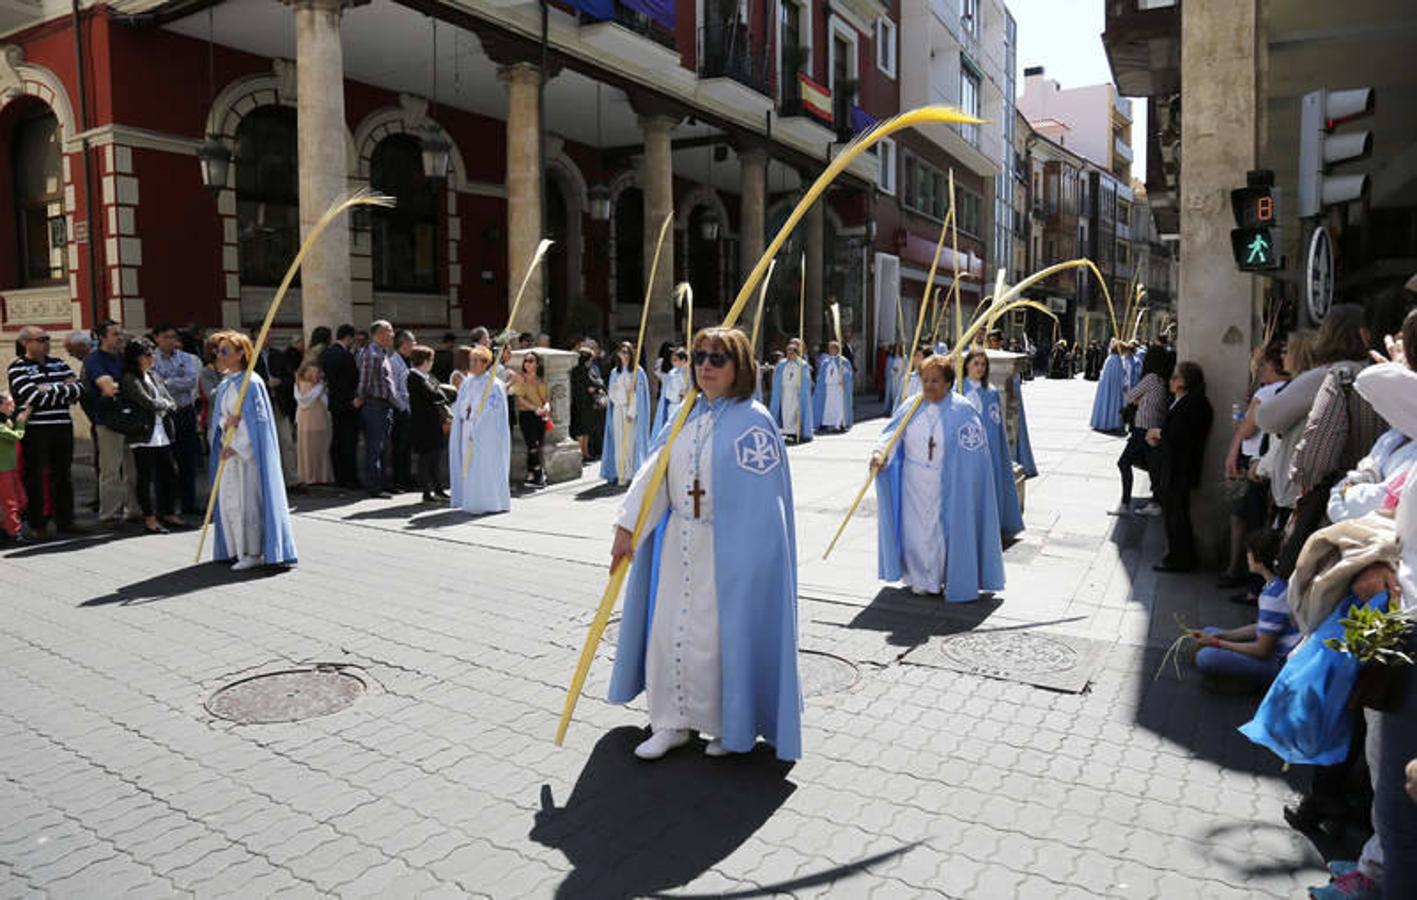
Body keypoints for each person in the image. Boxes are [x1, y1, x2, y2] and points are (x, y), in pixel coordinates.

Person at [607, 326, 802, 761]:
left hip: (728, 548)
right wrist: (628, 527)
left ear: (740, 367)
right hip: (678, 541)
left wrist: (754, 559)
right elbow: (654, 474)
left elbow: (765, 505)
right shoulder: (684, 413)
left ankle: (723, 725)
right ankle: (670, 722)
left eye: (718, 359)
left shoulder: (755, 421)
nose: (705, 366)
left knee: (716, 637)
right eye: (699, 357)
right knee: (668, 630)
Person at [871, 355, 1003, 600]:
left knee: (940, 532)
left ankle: (941, 577)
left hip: (948, 482)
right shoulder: (911, 406)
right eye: (925, 380)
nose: (929, 386)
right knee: (916, 531)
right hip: (914, 481)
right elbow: (891, 435)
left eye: (935, 380)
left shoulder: (962, 409)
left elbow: (974, 452)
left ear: (948, 383)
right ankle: (918, 579)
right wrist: (880, 454)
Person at [207, 331, 297, 570]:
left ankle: (253, 551)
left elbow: (256, 423)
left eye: (226, 350)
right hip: (228, 452)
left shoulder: (252, 383)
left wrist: (236, 447)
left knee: (248, 503)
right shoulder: (227, 383)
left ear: (241, 354)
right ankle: (235, 548)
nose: (220, 355)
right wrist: (225, 428)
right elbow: (223, 417)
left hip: (245, 457)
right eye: (218, 350)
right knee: (230, 503)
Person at [7, 326, 90, 537]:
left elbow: (79, 390)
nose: (47, 342)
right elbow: (32, 397)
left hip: (62, 426)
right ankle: (38, 524)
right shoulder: (18, 367)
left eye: (48, 338)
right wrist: (62, 389)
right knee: (34, 476)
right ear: (27, 343)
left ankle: (65, 521)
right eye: (41, 339)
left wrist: (49, 389)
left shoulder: (59, 363)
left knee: (63, 476)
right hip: (36, 430)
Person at [1218, 344, 1289, 590]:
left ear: (1272, 365)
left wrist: (1233, 446)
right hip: (1270, 465)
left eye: (1262, 364)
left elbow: (1248, 431)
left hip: (1252, 462)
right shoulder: (1288, 391)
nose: (1258, 369)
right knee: (1259, 520)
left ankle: (1238, 570)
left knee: (1241, 518)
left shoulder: (1267, 394)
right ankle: (1254, 578)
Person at [1190, 529, 1297, 688]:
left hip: (1280, 663)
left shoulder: (1273, 596)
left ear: (1258, 559)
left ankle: (1246, 682)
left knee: (1206, 656)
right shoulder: (1279, 585)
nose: (1247, 557)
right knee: (1210, 630)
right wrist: (1223, 635)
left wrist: (1218, 643)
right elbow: (1263, 627)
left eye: (1249, 552)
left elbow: (1262, 650)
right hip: (1277, 648)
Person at [1147, 361, 1214, 572]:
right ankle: (1179, 556)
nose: (1171, 381)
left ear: (1185, 382)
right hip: (1175, 467)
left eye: (1175, 377)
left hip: (1180, 469)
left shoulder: (1194, 403)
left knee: (1177, 516)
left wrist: (1159, 434)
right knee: (1175, 514)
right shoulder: (1184, 401)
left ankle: (1179, 558)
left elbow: (1182, 436)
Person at [119, 338, 182, 534]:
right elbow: (147, 402)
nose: (151, 358)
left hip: (161, 431)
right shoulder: (130, 378)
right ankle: (150, 518)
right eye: (147, 354)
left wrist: (165, 404)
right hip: (144, 433)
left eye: (152, 353)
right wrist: (164, 404)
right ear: (136, 357)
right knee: (145, 477)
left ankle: (169, 512)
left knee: (170, 472)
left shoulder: (153, 376)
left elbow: (171, 400)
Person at [960, 350, 1025, 538]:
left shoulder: (991, 392)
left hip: (990, 448)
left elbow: (996, 423)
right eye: (976, 364)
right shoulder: (960, 390)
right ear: (966, 365)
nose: (980, 368)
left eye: (983, 364)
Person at [84, 319, 141, 523]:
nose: (120, 338)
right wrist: (127, 388)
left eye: (121, 333)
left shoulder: (124, 357)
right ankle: (108, 514)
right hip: (108, 419)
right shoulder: (94, 359)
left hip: (131, 418)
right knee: (110, 470)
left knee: (133, 469)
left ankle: (133, 510)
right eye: (115, 334)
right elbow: (108, 388)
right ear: (102, 337)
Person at [448, 345, 511, 514]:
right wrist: (462, 414)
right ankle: (471, 499)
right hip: (467, 428)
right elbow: (460, 405)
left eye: (477, 361)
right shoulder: (466, 383)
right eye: (471, 360)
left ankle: (489, 501)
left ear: (486, 363)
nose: (473, 364)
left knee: (484, 465)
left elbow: (494, 412)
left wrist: (480, 426)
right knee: (469, 466)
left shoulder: (494, 385)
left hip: (486, 434)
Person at [1113, 343, 1173, 516]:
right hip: (1154, 426)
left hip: (1143, 427)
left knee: (1124, 462)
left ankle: (1125, 503)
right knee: (1152, 466)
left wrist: (1138, 400)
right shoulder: (1162, 380)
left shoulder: (1151, 378)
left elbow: (1131, 395)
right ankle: (1155, 501)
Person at [151, 323, 203, 516]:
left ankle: (189, 503)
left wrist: (168, 381)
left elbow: (191, 381)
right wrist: (173, 382)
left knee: (187, 460)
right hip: (164, 415)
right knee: (163, 462)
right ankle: (166, 507)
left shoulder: (186, 358)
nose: (171, 341)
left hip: (185, 411)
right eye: (166, 337)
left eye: (173, 337)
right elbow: (156, 385)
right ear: (156, 338)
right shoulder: (152, 359)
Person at [356, 320, 399, 498]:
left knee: (384, 446)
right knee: (375, 446)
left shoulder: (382, 353)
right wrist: (360, 398)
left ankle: (384, 483)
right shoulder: (371, 354)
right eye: (389, 331)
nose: (392, 334)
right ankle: (374, 486)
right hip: (374, 404)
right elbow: (365, 380)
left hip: (385, 405)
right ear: (379, 334)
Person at [601, 342, 651, 487]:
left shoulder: (638, 372)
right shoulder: (614, 373)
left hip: (631, 412)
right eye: (621, 352)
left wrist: (632, 409)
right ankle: (620, 473)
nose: (624, 355)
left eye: (626, 352)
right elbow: (611, 394)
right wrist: (620, 392)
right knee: (619, 442)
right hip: (618, 409)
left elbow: (640, 396)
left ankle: (631, 473)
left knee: (630, 442)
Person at [406, 345, 451, 502]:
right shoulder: (414, 378)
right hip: (423, 424)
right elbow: (436, 395)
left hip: (433, 422)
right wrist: (440, 393)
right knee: (426, 458)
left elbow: (441, 393)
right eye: (431, 360)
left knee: (436, 458)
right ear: (424, 361)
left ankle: (438, 489)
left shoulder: (427, 376)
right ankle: (426, 492)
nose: (432, 363)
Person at [320, 324, 360, 490]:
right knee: (349, 441)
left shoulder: (327, 354)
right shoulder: (347, 356)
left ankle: (339, 477)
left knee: (337, 440)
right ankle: (350, 478)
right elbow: (353, 379)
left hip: (334, 402)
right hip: (349, 403)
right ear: (348, 337)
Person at [509, 351, 551, 488]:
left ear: (537, 364)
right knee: (532, 445)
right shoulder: (521, 378)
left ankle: (531, 475)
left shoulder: (541, 380)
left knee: (538, 445)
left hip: (541, 416)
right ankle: (538, 474)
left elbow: (547, 399)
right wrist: (535, 409)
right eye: (525, 360)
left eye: (531, 360)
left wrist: (546, 407)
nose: (527, 363)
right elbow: (519, 399)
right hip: (527, 415)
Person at [293, 362, 333, 487]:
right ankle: (322, 476)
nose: (316, 376)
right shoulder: (320, 387)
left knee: (305, 450)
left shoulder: (298, 386)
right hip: (319, 421)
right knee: (320, 449)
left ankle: (306, 476)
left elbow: (301, 401)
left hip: (304, 422)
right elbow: (326, 404)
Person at [0, 392, 31, 546]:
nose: (13, 407)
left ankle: (6, 528)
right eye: (9, 404)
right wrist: (21, 422)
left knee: (22, 500)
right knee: (10, 503)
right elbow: (16, 436)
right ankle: (14, 533)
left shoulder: (5, 421)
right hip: (2, 470)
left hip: (11, 468)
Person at [769, 339, 814, 444]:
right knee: (786, 413)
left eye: (791, 353)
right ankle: (788, 432)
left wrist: (801, 388)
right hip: (785, 392)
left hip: (796, 393)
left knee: (795, 412)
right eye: (788, 353)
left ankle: (796, 432)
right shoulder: (782, 364)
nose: (789, 355)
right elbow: (776, 377)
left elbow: (806, 380)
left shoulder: (802, 365)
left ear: (796, 353)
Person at [390, 329, 416, 491]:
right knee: (399, 447)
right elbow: (393, 390)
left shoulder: (408, 361)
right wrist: (403, 408)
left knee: (406, 447)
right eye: (413, 342)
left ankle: (407, 477)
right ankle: (399, 479)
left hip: (409, 410)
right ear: (404, 343)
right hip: (400, 411)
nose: (415, 344)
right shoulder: (394, 362)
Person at [571, 346, 606, 461]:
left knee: (585, 429)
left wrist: (593, 387)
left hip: (581, 402)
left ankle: (585, 453)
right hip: (583, 403)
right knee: (582, 429)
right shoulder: (582, 370)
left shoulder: (576, 370)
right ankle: (582, 453)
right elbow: (596, 383)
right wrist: (598, 384)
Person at [813, 341, 854, 434]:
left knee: (839, 406)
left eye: (833, 348)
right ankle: (827, 423)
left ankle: (839, 424)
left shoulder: (843, 361)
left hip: (838, 388)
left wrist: (843, 378)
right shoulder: (826, 361)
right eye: (830, 348)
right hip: (828, 388)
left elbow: (848, 374)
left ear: (837, 349)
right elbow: (822, 374)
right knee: (828, 406)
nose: (831, 350)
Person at [1089, 339, 1126, 433]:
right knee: (1112, 403)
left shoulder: (1110, 359)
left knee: (1106, 402)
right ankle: (1111, 423)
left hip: (1107, 387)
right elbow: (1120, 377)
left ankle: (1103, 421)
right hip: (1114, 389)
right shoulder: (1116, 360)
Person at [653, 349, 689, 435]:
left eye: (675, 360)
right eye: (672, 360)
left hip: (686, 407)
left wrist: (688, 393)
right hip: (674, 407)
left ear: (683, 360)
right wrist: (678, 394)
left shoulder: (689, 373)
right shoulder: (671, 374)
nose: (673, 362)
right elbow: (667, 393)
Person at [882, 342, 905, 414]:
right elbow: (887, 368)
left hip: (900, 379)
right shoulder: (890, 358)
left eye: (898, 348)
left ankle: (898, 410)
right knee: (892, 394)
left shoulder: (904, 358)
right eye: (896, 348)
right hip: (892, 379)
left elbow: (906, 369)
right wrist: (892, 370)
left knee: (898, 395)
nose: (897, 350)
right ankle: (891, 409)